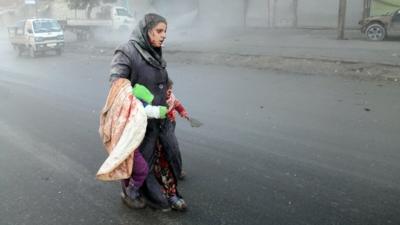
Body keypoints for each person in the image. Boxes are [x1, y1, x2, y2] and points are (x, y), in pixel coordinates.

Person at [109, 13, 187, 211]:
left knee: (169, 156)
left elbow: (163, 82)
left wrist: (171, 99)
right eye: (159, 31)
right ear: (146, 31)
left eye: (165, 32)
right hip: (140, 122)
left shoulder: (155, 51)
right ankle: (131, 191)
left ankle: (169, 192)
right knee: (141, 163)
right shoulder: (127, 51)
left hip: (161, 120)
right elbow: (117, 87)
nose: (163, 36)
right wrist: (147, 108)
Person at [165, 78, 189, 180]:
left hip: (171, 123)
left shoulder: (171, 97)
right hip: (160, 125)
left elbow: (176, 104)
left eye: (171, 88)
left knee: (172, 147)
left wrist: (182, 112)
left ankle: (177, 171)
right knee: (164, 148)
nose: (170, 91)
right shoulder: (157, 98)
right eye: (167, 89)